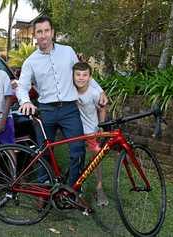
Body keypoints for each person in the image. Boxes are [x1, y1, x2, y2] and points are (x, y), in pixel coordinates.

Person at [16, 15, 108, 189]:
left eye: (46, 31)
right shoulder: (30, 62)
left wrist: (101, 90)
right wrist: (26, 101)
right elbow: (22, 87)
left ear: (52, 32)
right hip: (46, 111)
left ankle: (72, 190)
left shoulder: (68, 51)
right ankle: (43, 189)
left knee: (77, 150)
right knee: (44, 153)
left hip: (69, 110)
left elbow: (83, 74)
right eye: (39, 32)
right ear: (35, 35)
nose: (43, 35)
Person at [73, 62, 109, 207]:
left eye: (85, 75)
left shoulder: (94, 93)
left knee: (96, 158)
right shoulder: (69, 89)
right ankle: (77, 187)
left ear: (90, 77)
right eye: (78, 74)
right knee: (76, 157)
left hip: (91, 131)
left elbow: (102, 108)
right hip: (75, 131)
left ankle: (99, 188)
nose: (81, 78)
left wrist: (101, 126)